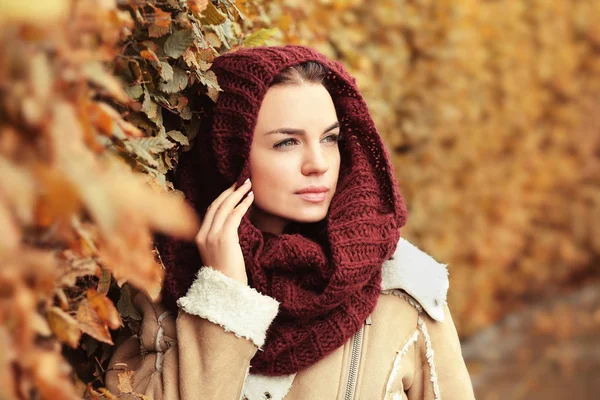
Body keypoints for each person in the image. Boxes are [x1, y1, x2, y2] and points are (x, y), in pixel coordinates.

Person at [105, 45, 475, 400]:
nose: (319, 163)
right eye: (287, 143)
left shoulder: (403, 293)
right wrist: (223, 297)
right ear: (230, 154)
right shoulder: (166, 286)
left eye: (330, 139)